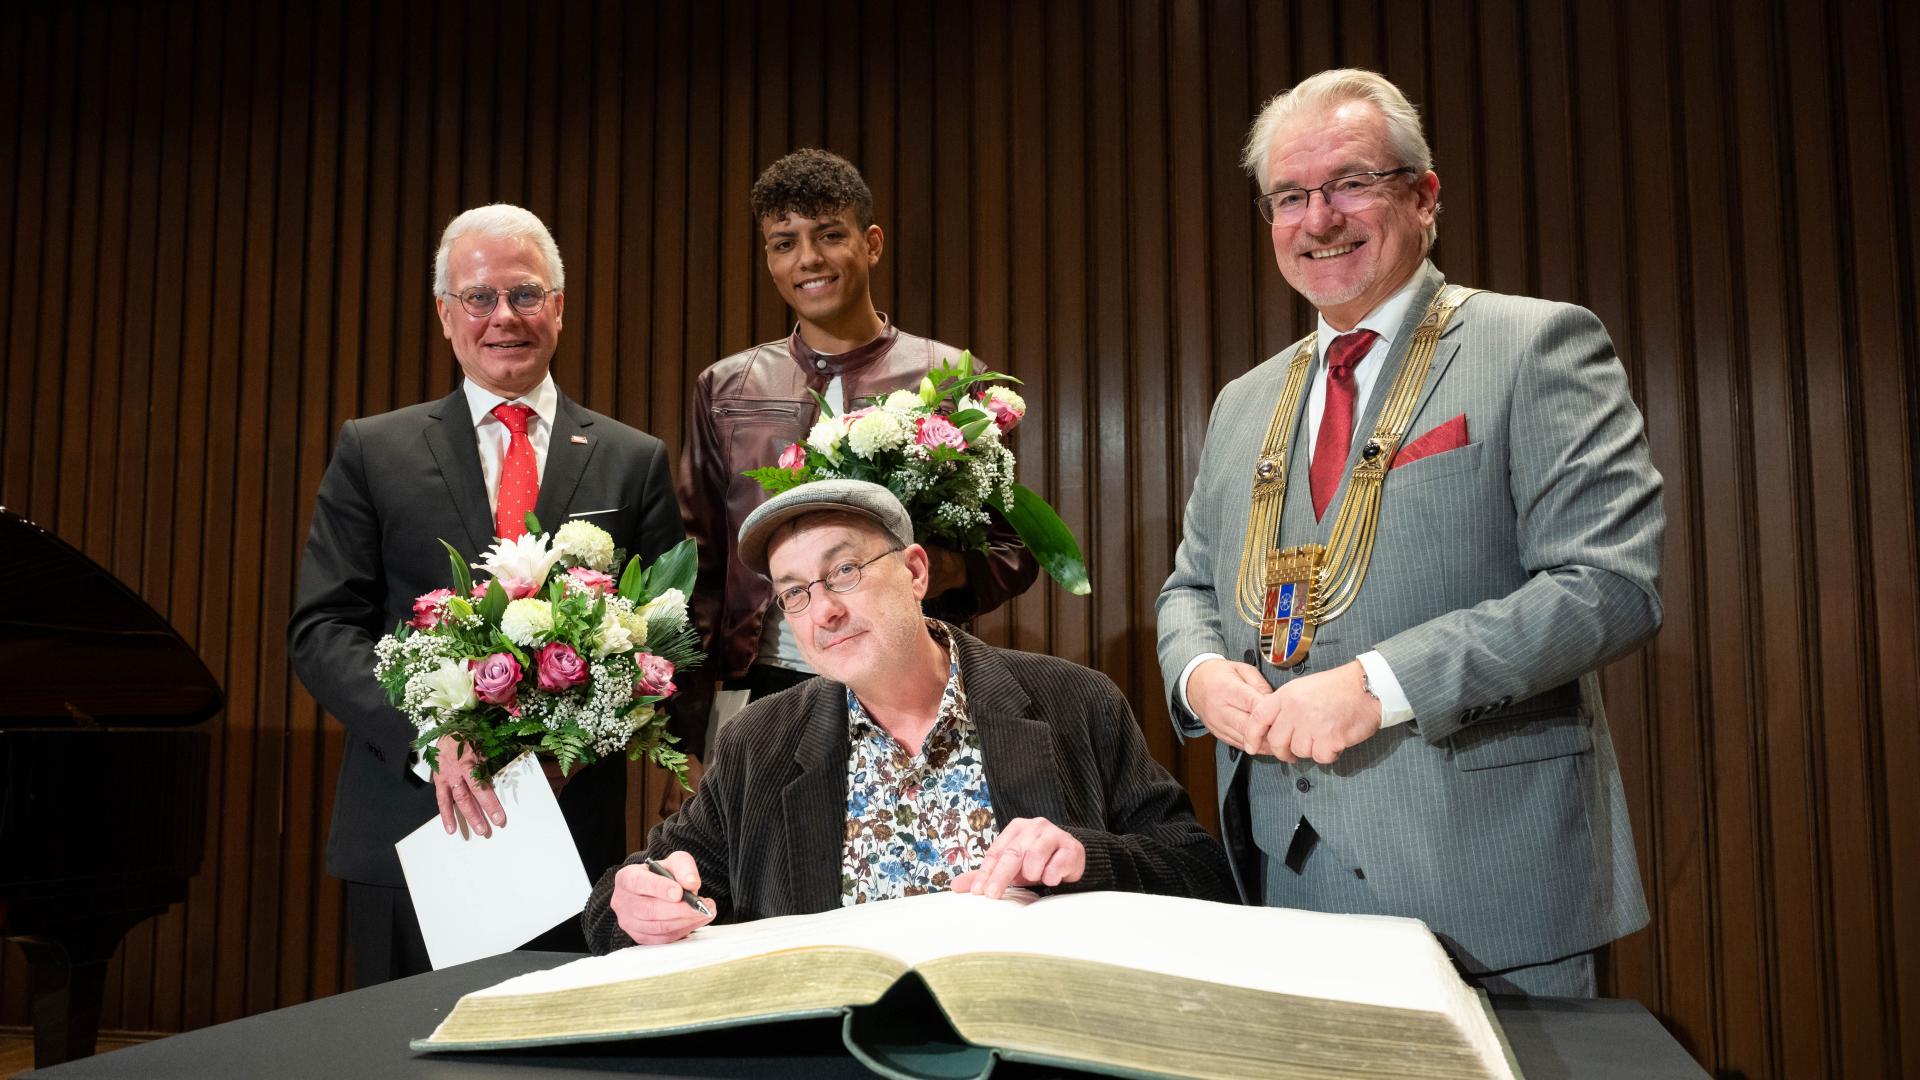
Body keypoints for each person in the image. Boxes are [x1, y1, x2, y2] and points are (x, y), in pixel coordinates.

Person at [1155, 69, 1664, 997]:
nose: (1320, 219)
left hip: (1485, 884)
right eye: (1290, 197)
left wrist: (1378, 687)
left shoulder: (1537, 344)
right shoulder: (1241, 404)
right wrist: (1198, 674)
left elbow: (1607, 586)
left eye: (1351, 184)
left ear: (1424, 196)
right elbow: (1189, 588)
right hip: (1276, 882)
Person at [288, 203, 684, 985]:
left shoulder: (632, 461)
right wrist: (427, 732)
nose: (504, 317)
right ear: (445, 314)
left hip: (571, 832)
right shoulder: (374, 449)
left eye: (526, 294)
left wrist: (582, 740)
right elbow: (323, 627)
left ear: (559, 308)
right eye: (479, 297)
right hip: (411, 827)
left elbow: (669, 638)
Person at [583, 480, 1233, 950]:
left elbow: (1201, 874)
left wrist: (1086, 859)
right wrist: (638, 904)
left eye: (843, 571)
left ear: (916, 572)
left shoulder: (1073, 703)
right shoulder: (760, 744)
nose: (825, 611)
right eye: (796, 594)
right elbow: (617, 901)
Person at [676, 149, 1037, 755]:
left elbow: (1011, 550)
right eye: (784, 243)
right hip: (764, 684)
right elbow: (700, 572)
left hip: (913, 675)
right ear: (768, 258)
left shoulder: (950, 377)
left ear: (871, 244)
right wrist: (686, 737)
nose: (808, 260)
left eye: (829, 236)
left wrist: (922, 570)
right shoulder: (727, 388)